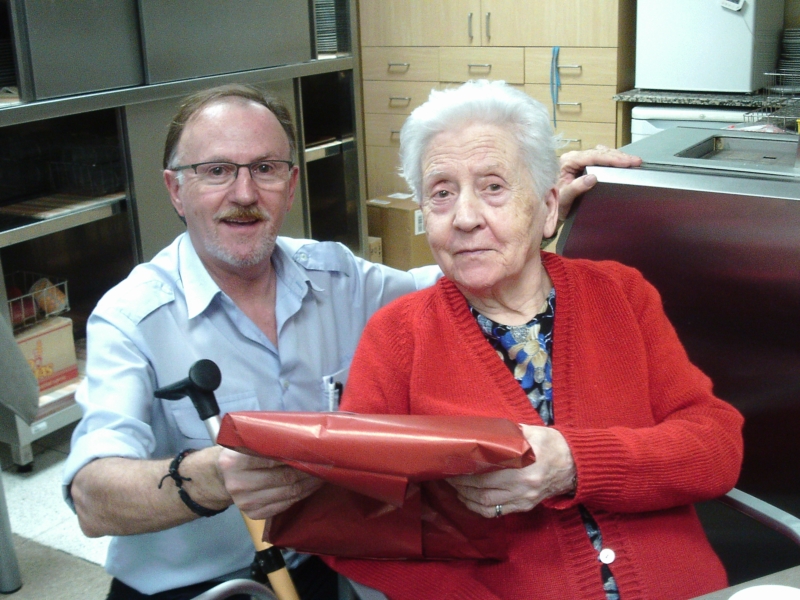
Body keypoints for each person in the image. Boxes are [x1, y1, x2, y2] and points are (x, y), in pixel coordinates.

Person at [61, 82, 641, 600]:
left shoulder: (337, 277)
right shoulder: (131, 318)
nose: (243, 192)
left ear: (291, 185)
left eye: (265, 168)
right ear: (175, 189)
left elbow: (458, 271)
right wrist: (212, 476)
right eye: (215, 171)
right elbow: (91, 496)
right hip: (192, 585)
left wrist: (528, 198)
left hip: (320, 566)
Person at [312, 80, 744, 600]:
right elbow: (352, 522)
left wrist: (573, 463)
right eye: (442, 193)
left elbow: (717, 446)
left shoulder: (620, 293)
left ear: (548, 207)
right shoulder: (397, 338)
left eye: (493, 187)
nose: (465, 218)